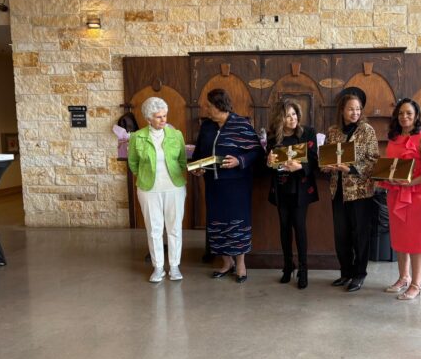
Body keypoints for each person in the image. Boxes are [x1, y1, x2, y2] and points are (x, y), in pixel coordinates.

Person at [191, 88, 263, 284]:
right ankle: (226, 262)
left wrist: (239, 160)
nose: (206, 109)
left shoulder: (241, 124)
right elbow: (198, 154)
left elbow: (257, 151)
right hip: (213, 185)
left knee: (237, 223)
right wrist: (197, 168)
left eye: (209, 106)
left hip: (237, 186)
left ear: (219, 106)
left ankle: (240, 264)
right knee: (217, 223)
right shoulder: (207, 126)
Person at [378, 98, 421, 300]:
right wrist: (386, 176)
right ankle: (404, 277)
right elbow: (392, 166)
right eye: (401, 113)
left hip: (419, 195)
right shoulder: (394, 138)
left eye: (409, 113)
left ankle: (417, 283)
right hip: (396, 193)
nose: (404, 117)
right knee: (400, 238)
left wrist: (411, 183)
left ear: (416, 116)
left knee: (416, 240)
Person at [323, 87, 379, 292]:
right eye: (351, 109)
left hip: (360, 191)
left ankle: (359, 274)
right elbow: (324, 158)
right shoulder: (332, 131)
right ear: (342, 110)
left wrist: (351, 168)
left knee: (360, 235)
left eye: (358, 109)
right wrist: (327, 166)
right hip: (337, 191)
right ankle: (345, 272)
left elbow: (374, 160)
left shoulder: (367, 130)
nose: (355, 112)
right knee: (341, 235)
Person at [128, 97, 187, 283]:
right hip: (148, 189)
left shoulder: (176, 135)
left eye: (165, 115)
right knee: (154, 229)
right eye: (158, 117)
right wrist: (144, 176)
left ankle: (175, 266)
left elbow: (182, 160)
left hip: (174, 188)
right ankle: (158, 267)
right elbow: (133, 163)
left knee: (174, 228)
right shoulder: (137, 137)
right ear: (148, 119)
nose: (163, 120)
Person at [266, 100, 319, 289]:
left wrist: (300, 167)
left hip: (300, 188)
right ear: (280, 118)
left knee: (300, 227)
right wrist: (269, 162)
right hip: (281, 188)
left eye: (294, 114)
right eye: (288, 115)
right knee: (284, 229)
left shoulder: (308, 133)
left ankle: (303, 270)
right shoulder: (273, 138)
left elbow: (314, 160)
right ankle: (288, 266)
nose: (292, 119)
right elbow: (270, 165)